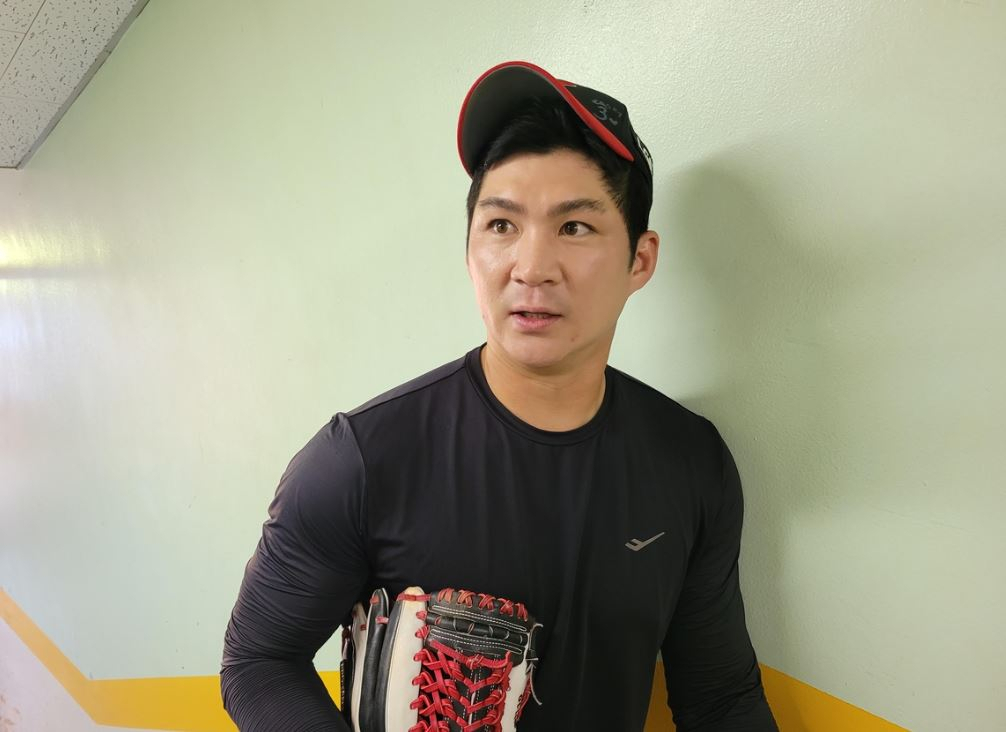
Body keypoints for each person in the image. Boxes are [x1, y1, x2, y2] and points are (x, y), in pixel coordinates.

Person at [220, 60, 778, 731]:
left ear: (640, 260)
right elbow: (258, 661)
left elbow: (719, 697)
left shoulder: (691, 464)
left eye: (575, 227)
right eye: (501, 225)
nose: (532, 268)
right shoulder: (363, 459)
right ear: (469, 254)